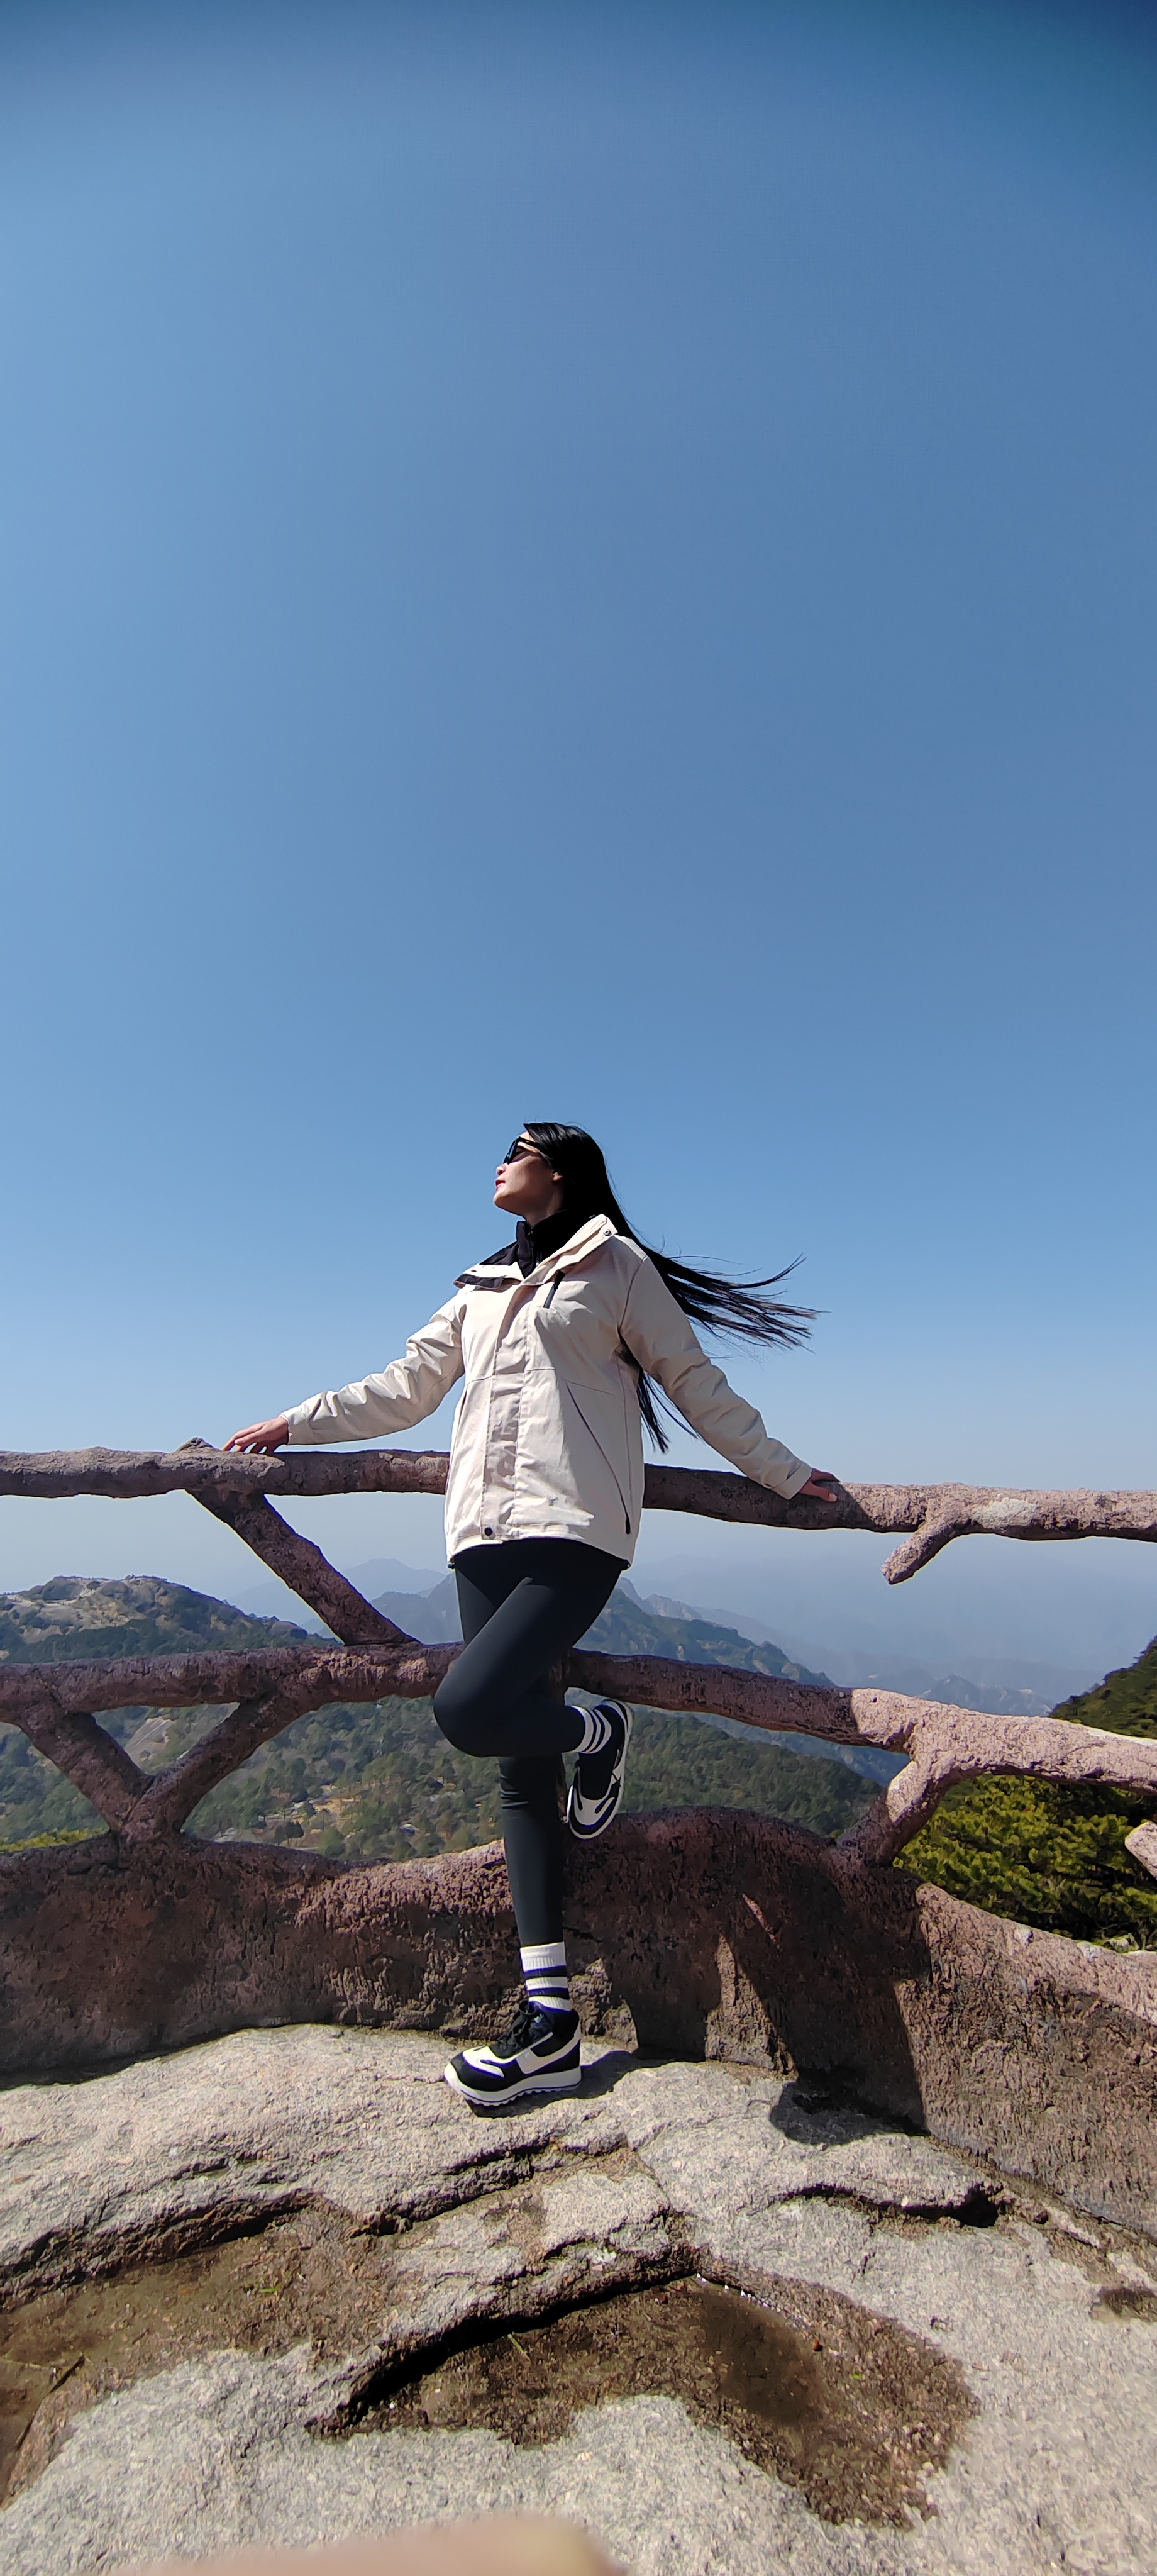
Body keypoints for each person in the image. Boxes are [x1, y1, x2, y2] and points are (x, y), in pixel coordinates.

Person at [225, 1123, 838, 2109]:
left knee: (467, 1710)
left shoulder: (617, 1266)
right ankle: (550, 2022)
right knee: (519, 1768)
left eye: (514, 1151)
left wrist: (784, 1472)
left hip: (574, 1528)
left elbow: (693, 1383)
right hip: (479, 1531)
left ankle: (599, 1727)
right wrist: (298, 1422)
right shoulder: (475, 1285)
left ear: (560, 1169)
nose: (496, 1165)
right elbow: (405, 1389)